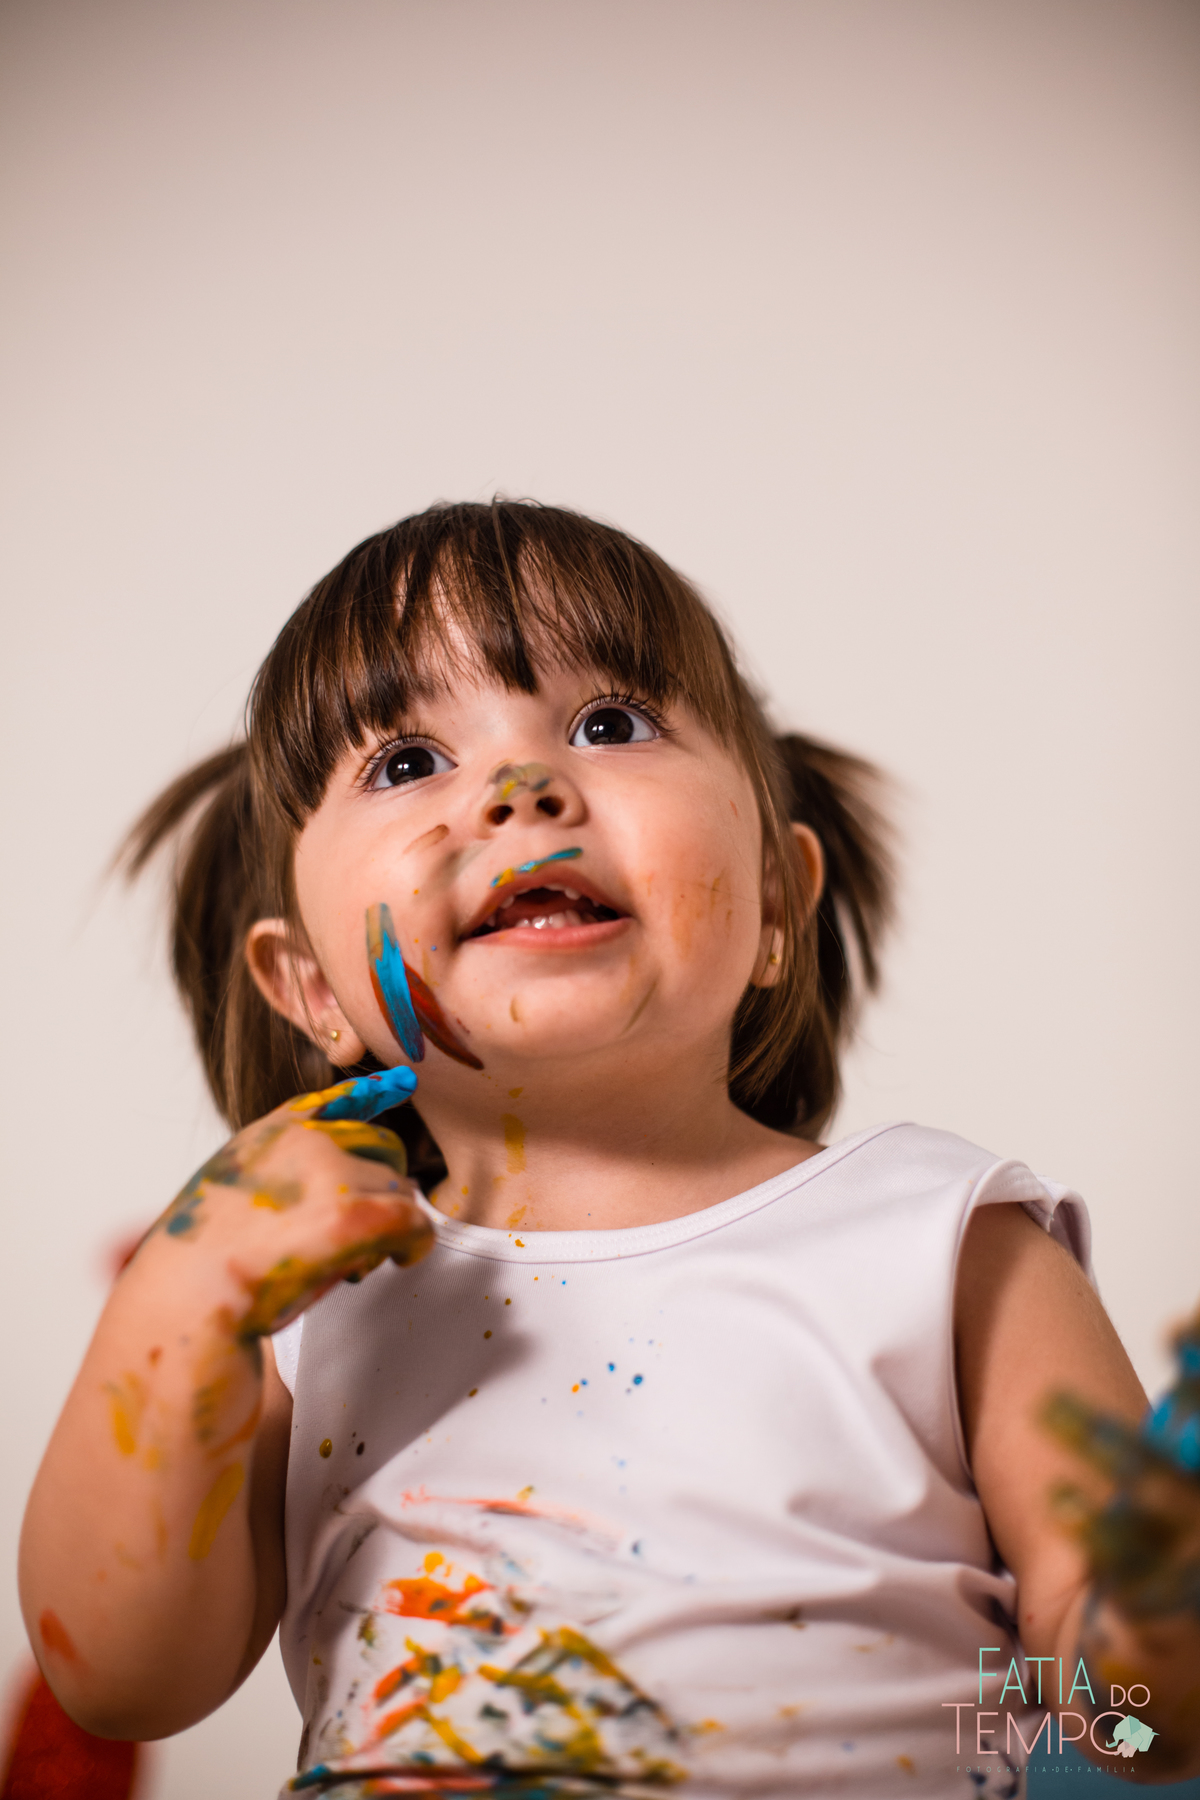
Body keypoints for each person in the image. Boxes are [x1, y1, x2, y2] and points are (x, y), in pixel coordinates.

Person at [18, 502, 1200, 1798]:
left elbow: (1126, 1725)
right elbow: (125, 1680)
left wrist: (1156, 1616)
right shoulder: (303, 1312)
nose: (519, 791)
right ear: (307, 989)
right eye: (408, 763)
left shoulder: (945, 1239)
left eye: (611, 725)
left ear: (774, 907)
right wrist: (173, 1313)